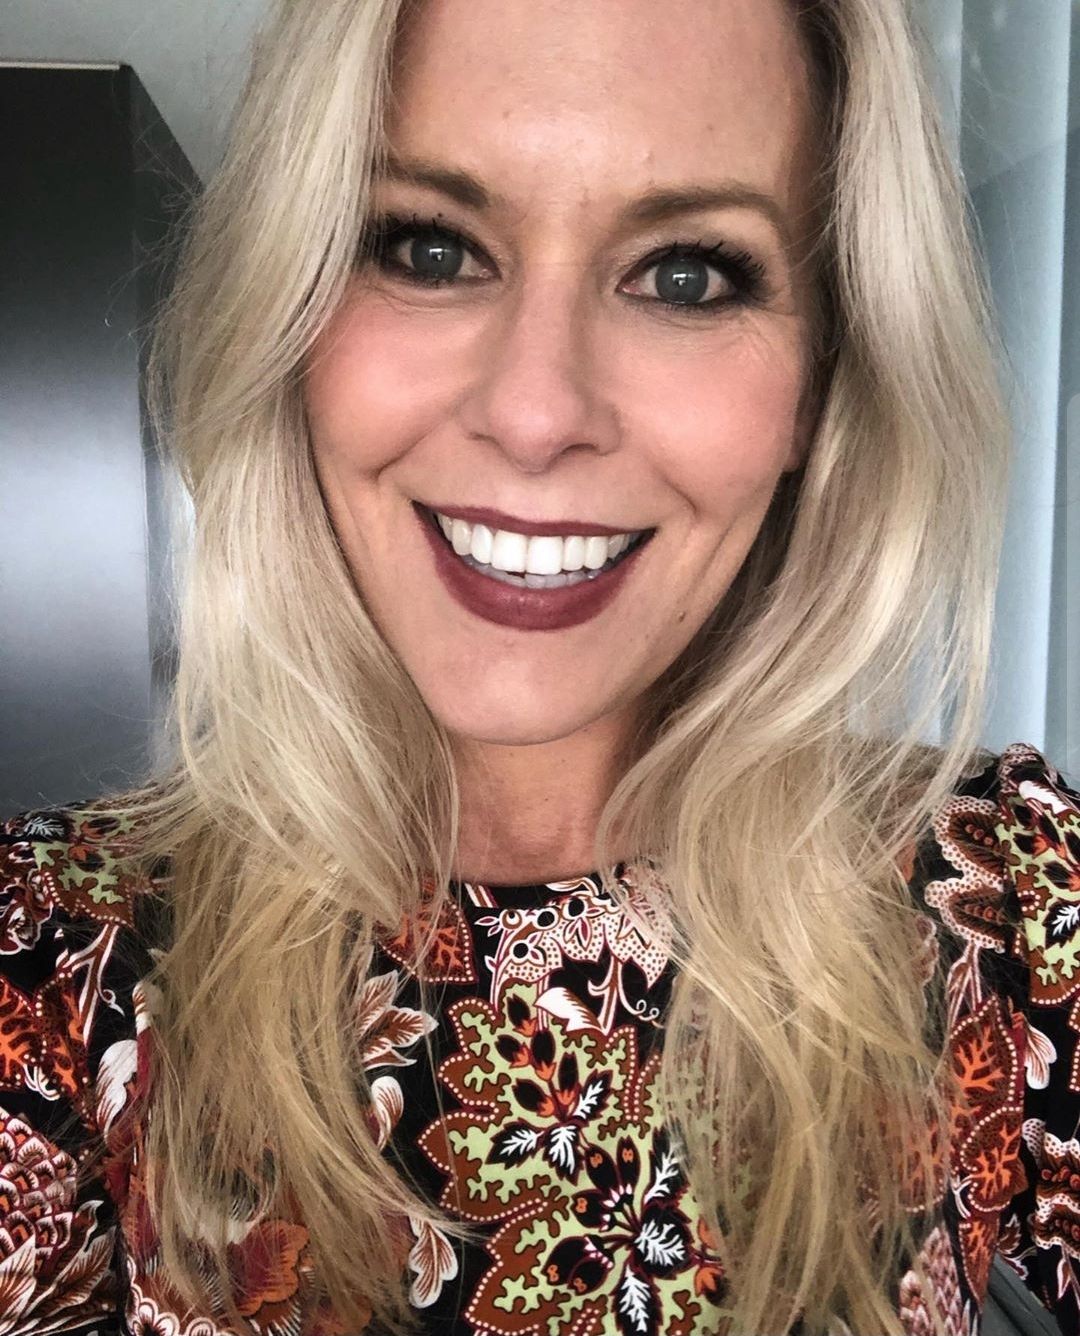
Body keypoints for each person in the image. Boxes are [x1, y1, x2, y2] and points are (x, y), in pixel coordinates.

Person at [0, 0, 1077, 1333]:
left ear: (822, 377)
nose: (534, 413)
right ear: (292, 309)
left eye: (685, 276)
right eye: (430, 247)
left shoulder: (1015, 904)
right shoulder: (49, 957)